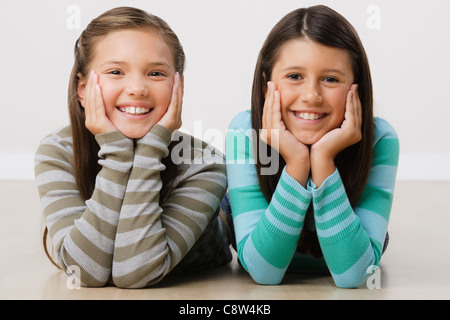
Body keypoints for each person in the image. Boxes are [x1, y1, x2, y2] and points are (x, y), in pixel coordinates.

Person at [34, 7, 231, 288]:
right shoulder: (57, 151)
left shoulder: (206, 163)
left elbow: (135, 273)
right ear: (82, 89)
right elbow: (84, 272)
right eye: (116, 71)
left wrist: (150, 150)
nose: (137, 88)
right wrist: (118, 154)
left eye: (155, 73)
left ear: (179, 87)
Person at [225, 5, 399, 288]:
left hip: (349, 233)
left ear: (357, 87)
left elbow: (356, 276)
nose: (311, 95)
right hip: (254, 231)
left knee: (365, 241)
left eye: (331, 79)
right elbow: (264, 273)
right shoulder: (244, 132)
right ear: (265, 86)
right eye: (294, 76)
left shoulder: (381, 139)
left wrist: (322, 160)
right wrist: (296, 164)